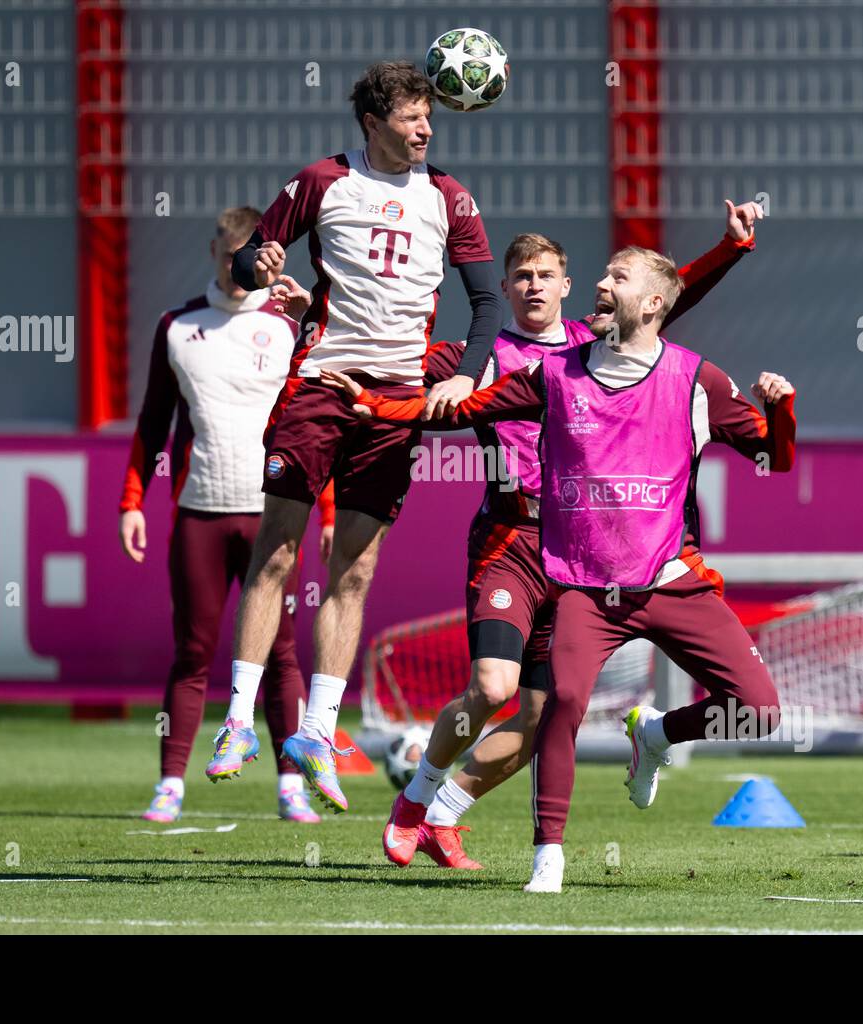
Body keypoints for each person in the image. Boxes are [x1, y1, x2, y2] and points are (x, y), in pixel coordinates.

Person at [323, 244, 795, 892]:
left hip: (601, 549)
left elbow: (669, 290)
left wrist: (735, 251)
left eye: (547, 274)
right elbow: (414, 380)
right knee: (496, 688)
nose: (534, 285)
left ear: (566, 285)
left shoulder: (598, 342)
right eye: (520, 276)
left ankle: (446, 812)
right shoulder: (488, 358)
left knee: (544, 710)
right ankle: (430, 804)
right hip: (515, 542)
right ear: (503, 291)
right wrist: (348, 375)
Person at [204, 62, 503, 814]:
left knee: (356, 569)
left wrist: (464, 376)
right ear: (373, 123)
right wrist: (257, 261)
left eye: (428, 117)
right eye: (410, 118)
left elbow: (488, 304)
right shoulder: (321, 182)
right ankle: (238, 720)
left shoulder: (451, 198)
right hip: (320, 386)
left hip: (397, 402)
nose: (426, 128)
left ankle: (317, 731)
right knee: (276, 548)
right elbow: (249, 264)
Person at [119, 206, 333, 825]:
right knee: (193, 651)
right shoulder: (178, 326)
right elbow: (152, 422)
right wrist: (131, 500)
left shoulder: (291, 323)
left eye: (253, 253)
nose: (238, 262)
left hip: (275, 513)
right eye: (230, 250)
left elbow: (323, 426)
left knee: (282, 652)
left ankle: (290, 783)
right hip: (200, 513)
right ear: (216, 249)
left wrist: (325, 515)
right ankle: (169, 784)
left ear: (270, 258)